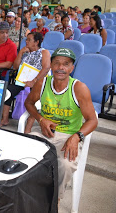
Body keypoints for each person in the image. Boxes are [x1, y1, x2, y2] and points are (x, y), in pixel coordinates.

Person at [25, 48, 98, 199]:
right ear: (51, 65)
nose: (60, 68)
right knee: (25, 151)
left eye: (66, 64)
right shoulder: (42, 83)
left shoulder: (79, 88)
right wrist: (41, 119)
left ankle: (54, 200)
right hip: (44, 133)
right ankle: (30, 195)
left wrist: (77, 136)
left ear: (72, 68)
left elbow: (92, 120)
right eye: (57, 63)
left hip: (69, 136)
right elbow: (29, 103)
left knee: (66, 165)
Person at [1, 32, 50, 126]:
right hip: (21, 82)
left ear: (36, 42)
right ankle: (5, 119)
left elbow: (46, 68)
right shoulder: (25, 52)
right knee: (7, 91)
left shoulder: (44, 52)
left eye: (29, 40)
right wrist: (20, 53)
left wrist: (34, 81)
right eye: (26, 39)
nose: (26, 41)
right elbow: (15, 67)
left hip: (36, 83)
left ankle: (28, 125)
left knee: (32, 96)